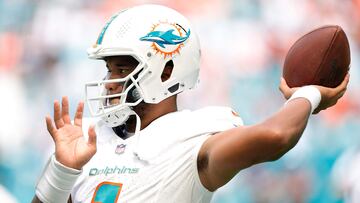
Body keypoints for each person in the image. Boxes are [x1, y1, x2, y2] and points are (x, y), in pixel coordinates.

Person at [32, 4, 349, 203]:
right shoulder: (88, 140)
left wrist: (308, 94)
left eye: (123, 68)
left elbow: (276, 136)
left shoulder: (193, 138)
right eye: (109, 68)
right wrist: (62, 172)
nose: (111, 80)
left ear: (166, 70)